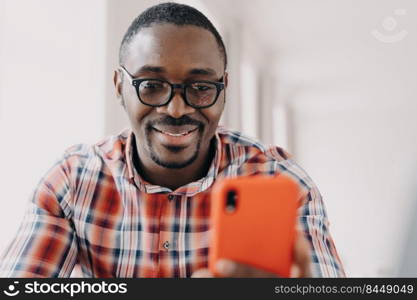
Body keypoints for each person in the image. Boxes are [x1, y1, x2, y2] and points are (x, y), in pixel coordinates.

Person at [0, 2, 344, 278]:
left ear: (224, 89)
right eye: (151, 85)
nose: (176, 109)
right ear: (120, 87)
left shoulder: (282, 182)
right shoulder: (73, 182)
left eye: (201, 87)